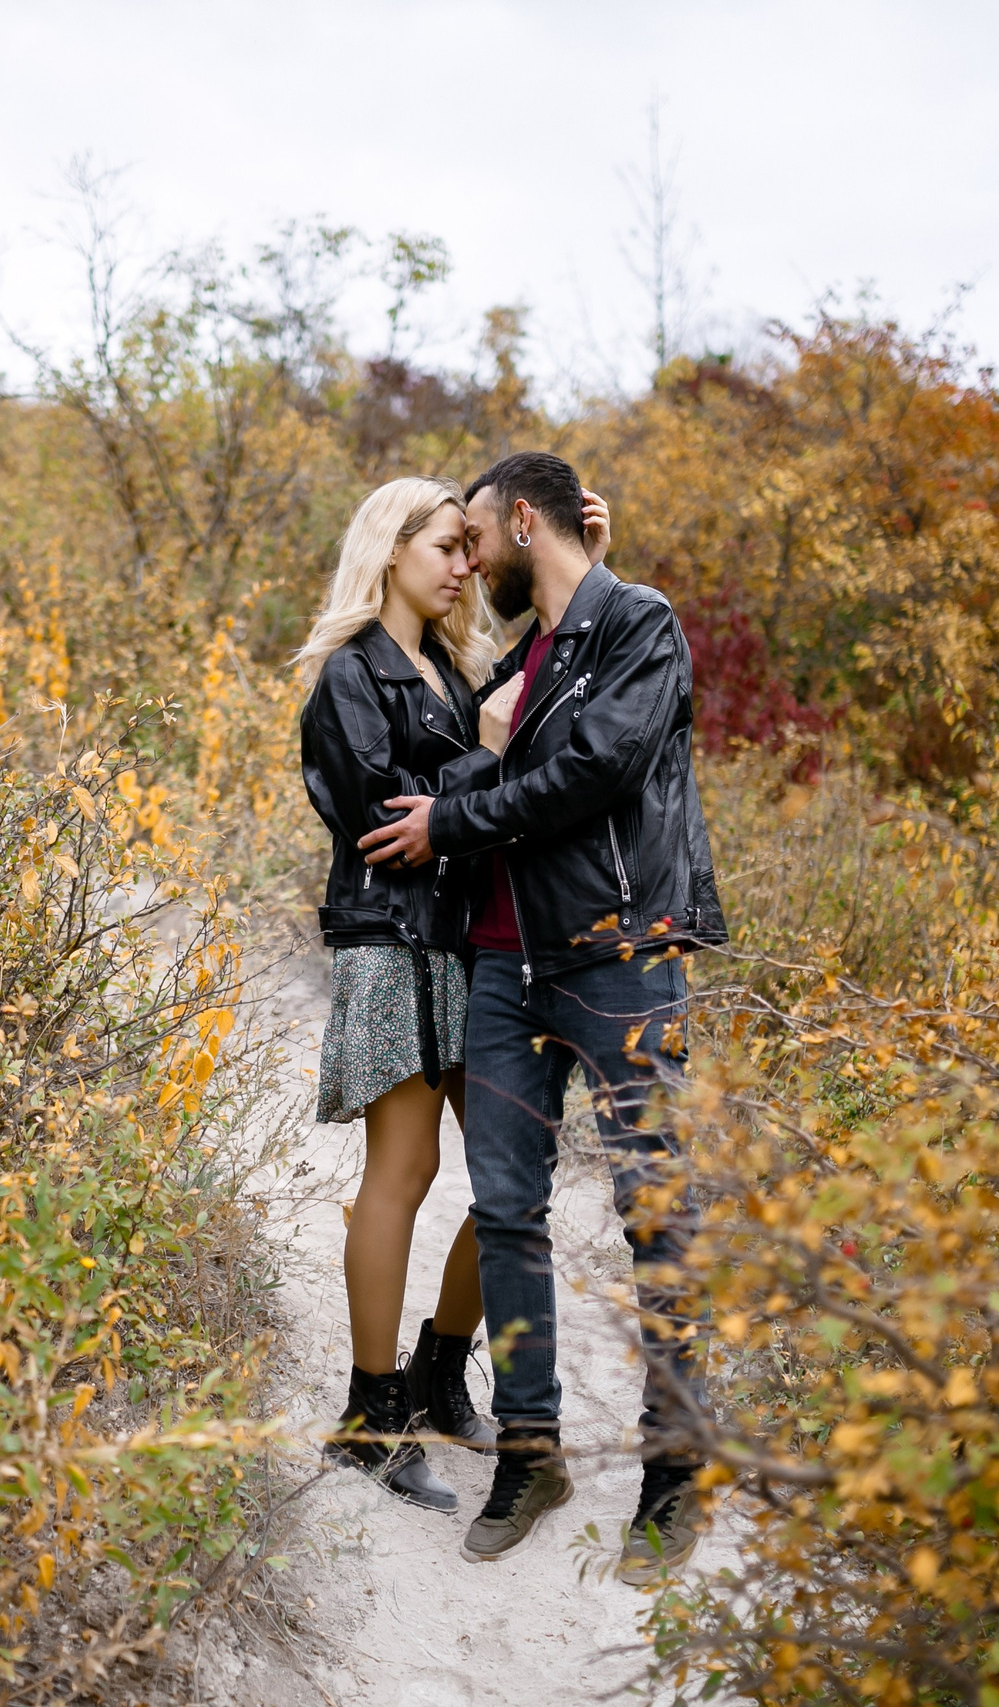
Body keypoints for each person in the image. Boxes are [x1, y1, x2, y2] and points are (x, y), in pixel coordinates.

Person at [357, 450, 724, 1581]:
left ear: (523, 521)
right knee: (507, 1211)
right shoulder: (541, 647)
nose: (466, 560)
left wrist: (456, 821)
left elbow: (593, 768)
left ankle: (675, 1474)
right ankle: (530, 1451)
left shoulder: (642, 624)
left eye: (474, 538)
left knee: (653, 1212)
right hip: (506, 966)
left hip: (618, 954)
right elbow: (486, 751)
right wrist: (466, 794)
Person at [295, 474, 611, 1512]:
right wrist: (476, 767)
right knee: (406, 1164)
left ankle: (439, 1367)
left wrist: (586, 557)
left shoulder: (449, 669)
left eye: (469, 551)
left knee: (513, 1166)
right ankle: (369, 1416)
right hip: (390, 939)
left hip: (469, 948)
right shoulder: (354, 676)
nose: (464, 566)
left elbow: (552, 669)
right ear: (389, 548)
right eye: (444, 546)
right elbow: (382, 818)